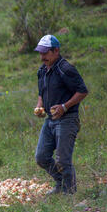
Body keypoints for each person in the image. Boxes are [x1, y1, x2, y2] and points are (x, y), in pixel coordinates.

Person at [33, 35, 88, 195]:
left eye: (45, 53)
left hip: (67, 119)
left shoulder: (66, 69)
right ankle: (61, 184)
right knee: (41, 157)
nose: (42, 57)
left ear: (56, 51)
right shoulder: (42, 71)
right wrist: (39, 106)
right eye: (40, 53)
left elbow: (82, 91)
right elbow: (41, 93)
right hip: (50, 120)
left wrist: (64, 106)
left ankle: (69, 193)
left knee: (63, 160)